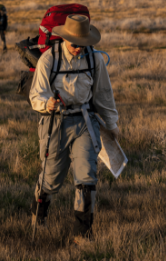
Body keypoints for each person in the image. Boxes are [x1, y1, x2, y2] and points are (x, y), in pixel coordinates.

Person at [29, 14, 119, 241]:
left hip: (85, 121)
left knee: (87, 177)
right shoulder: (49, 59)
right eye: (74, 43)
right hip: (55, 122)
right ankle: (38, 219)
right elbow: (36, 94)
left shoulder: (94, 59)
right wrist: (47, 103)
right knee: (51, 178)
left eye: (84, 43)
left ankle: (84, 234)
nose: (79, 48)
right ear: (65, 38)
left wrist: (111, 124)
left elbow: (103, 95)